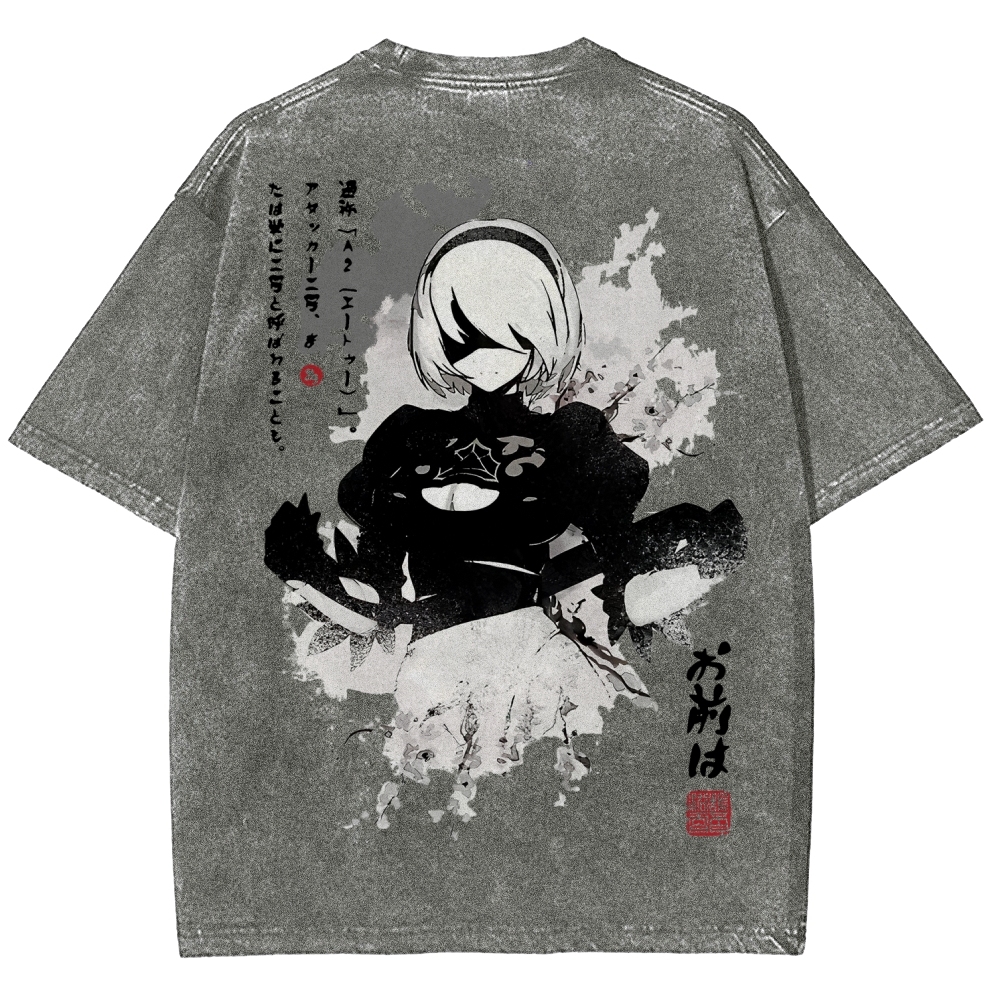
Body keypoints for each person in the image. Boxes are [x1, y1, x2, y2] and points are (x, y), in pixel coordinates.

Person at [264, 219, 745, 650]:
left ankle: (633, 582)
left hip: (520, 616)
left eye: (506, 337)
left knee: (631, 515)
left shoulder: (565, 432)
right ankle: (370, 593)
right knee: (388, 513)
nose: (483, 354)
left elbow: (608, 515)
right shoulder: (415, 430)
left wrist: (623, 570)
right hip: (427, 615)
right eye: (462, 338)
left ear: (539, 335)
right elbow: (378, 519)